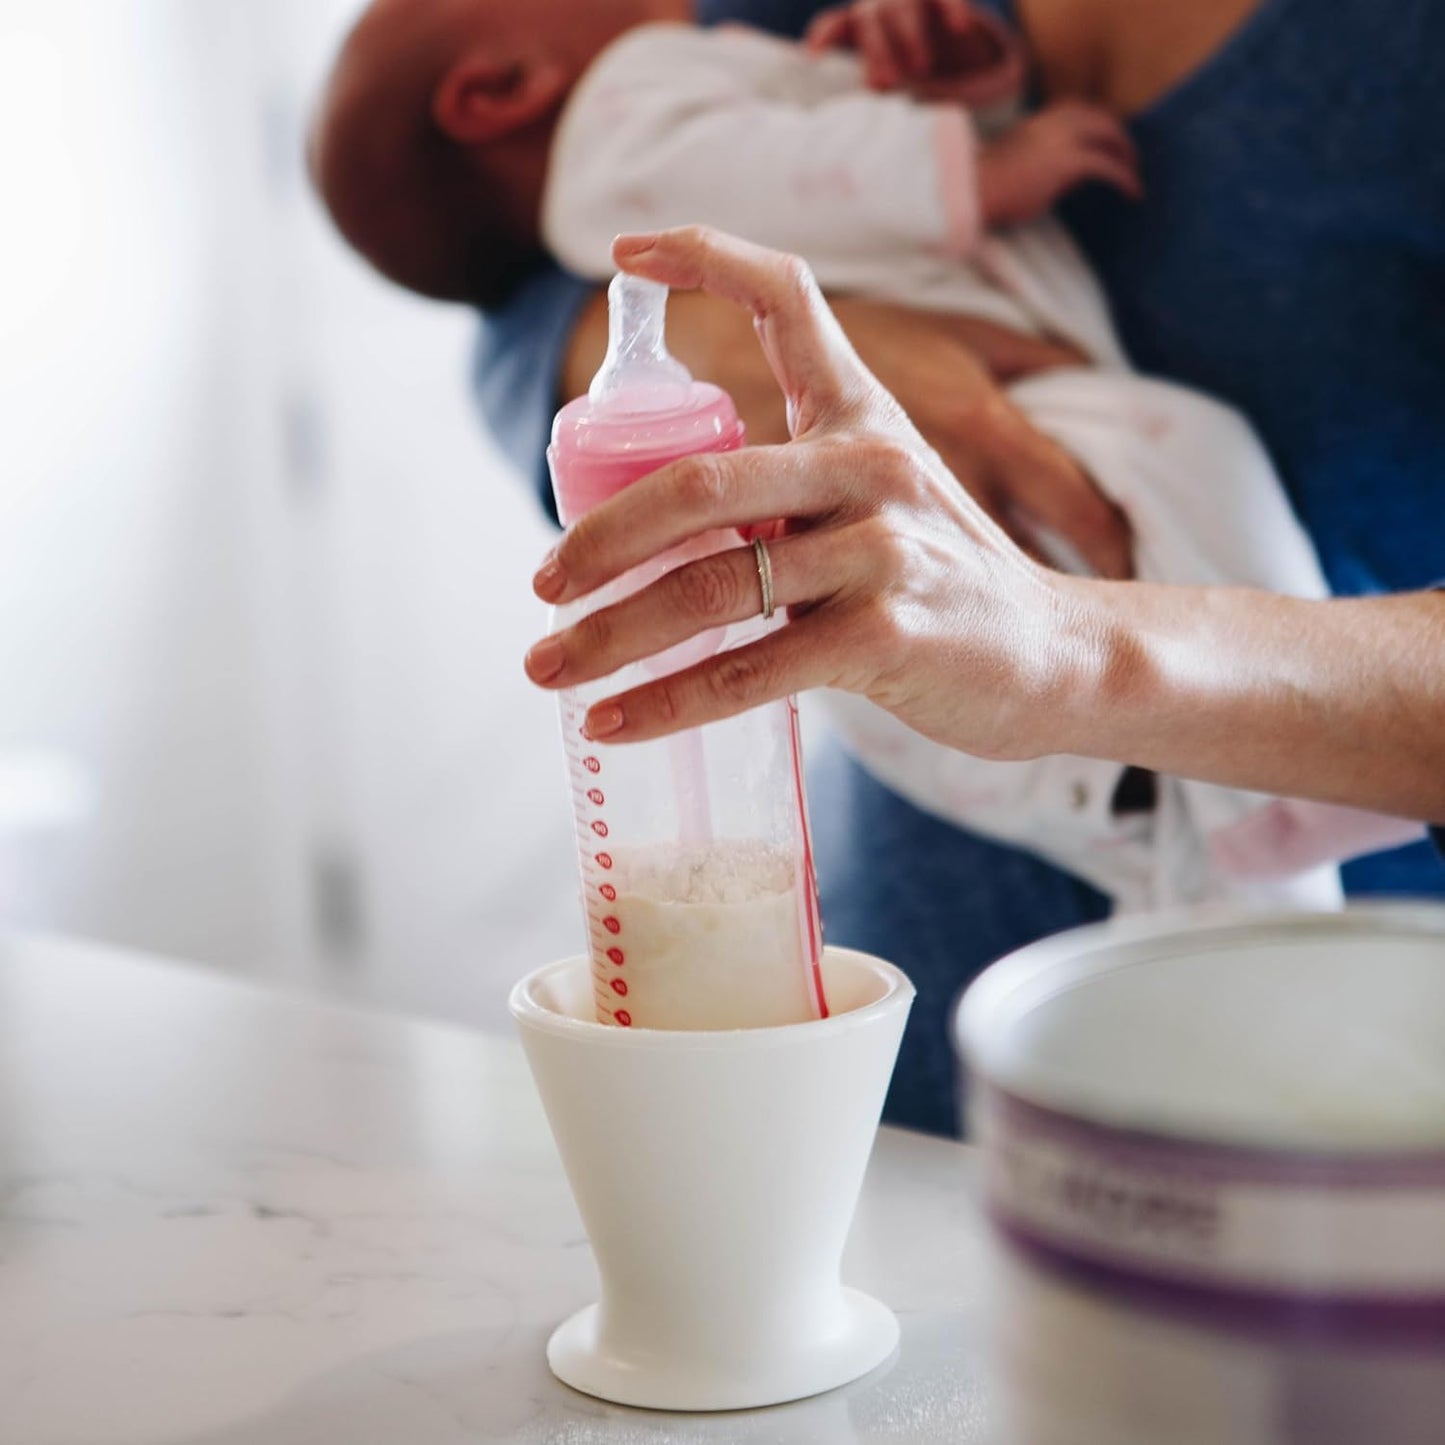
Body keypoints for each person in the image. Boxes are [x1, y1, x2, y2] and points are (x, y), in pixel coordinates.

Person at [309, 0, 1396, 909]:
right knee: (1184, 458)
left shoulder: (645, 80)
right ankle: (1250, 816)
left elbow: (791, 160)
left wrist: (950, 118)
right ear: (495, 89)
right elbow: (522, 323)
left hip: (1011, 629)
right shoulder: (629, 90)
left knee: (1136, 813)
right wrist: (970, 165)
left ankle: (1236, 824)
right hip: (1014, 503)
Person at [523, 224, 1445, 837]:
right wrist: (712, 341)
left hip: (1354, 1009)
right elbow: (499, 272)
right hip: (895, 1008)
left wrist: (1083, 655)